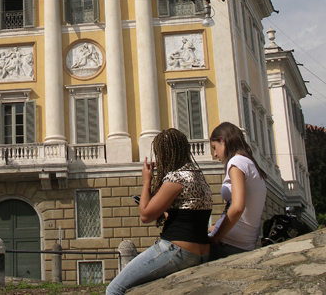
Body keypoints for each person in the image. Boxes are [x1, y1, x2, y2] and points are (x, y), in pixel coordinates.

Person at [106, 129, 213, 295]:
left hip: (178, 250)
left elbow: (145, 215)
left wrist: (146, 181)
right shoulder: (198, 177)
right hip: (201, 252)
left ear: (166, 154)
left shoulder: (176, 178)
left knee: (114, 289)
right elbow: (185, 215)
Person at [208, 122, 267, 260]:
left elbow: (238, 207)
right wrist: (216, 228)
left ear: (223, 140)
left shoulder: (236, 163)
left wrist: (217, 237)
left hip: (230, 245)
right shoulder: (250, 164)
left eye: (215, 148)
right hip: (245, 243)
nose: (215, 154)